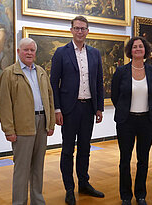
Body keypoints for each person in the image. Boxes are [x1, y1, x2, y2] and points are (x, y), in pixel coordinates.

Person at [50, 15, 105, 205]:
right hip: (69, 110)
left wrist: (99, 107)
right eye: (77, 28)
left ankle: (84, 183)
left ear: (88, 31)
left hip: (88, 108)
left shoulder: (94, 53)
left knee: (85, 148)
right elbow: (53, 84)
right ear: (71, 30)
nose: (80, 31)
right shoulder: (61, 53)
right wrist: (57, 109)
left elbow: (98, 81)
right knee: (67, 150)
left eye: (83, 28)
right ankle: (69, 189)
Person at [0, 38, 55, 205]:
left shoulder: (42, 72)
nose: (29, 53)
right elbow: (5, 104)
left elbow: (50, 98)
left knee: (38, 167)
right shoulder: (9, 73)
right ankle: (19, 202)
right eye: (26, 50)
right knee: (22, 169)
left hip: (42, 123)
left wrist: (50, 123)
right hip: (22, 126)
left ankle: (38, 200)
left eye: (32, 50)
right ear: (18, 52)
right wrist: (9, 129)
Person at [111, 36, 152, 205]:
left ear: (145, 50)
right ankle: (126, 196)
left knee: (143, 159)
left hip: (146, 121)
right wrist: (124, 110)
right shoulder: (121, 71)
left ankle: (141, 194)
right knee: (125, 160)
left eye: (141, 46)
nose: (138, 49)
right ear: (130, 51)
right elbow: (115, 96)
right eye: (134, 47)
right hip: (126, 122)